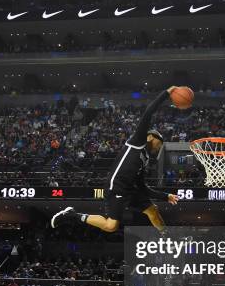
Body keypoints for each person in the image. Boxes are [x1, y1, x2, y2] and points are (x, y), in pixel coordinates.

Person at [51, 87, 181, 233]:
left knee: (152, 210)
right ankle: (72, 214)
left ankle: (167, 236)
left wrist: (166, 196)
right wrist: (166, 93)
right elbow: (148, 112)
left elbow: (143, 188)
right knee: (111, 226)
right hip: (117, 187)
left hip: (130, 190)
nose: (159, 147)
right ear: (151, 136)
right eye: (160, 142)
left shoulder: (145, 159)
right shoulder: (138, 140)